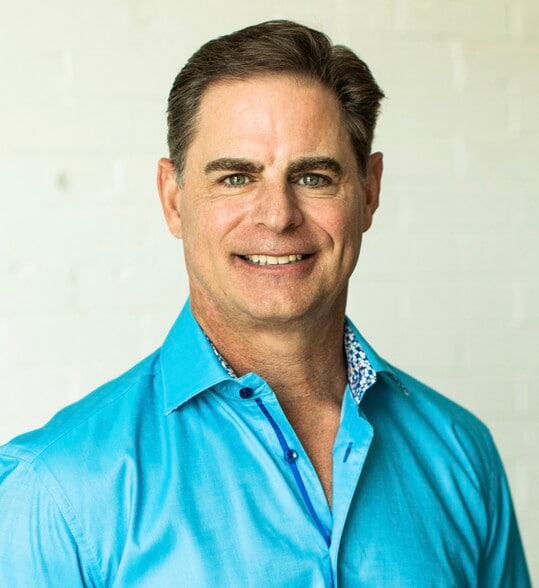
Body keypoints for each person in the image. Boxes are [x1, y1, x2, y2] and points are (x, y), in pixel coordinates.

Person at [0, 20, 531, 587]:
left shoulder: (462, 454)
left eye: (313, 177)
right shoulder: (55, 491)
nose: (278, 216)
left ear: (369, 191)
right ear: (174, 200)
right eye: (235, 178)